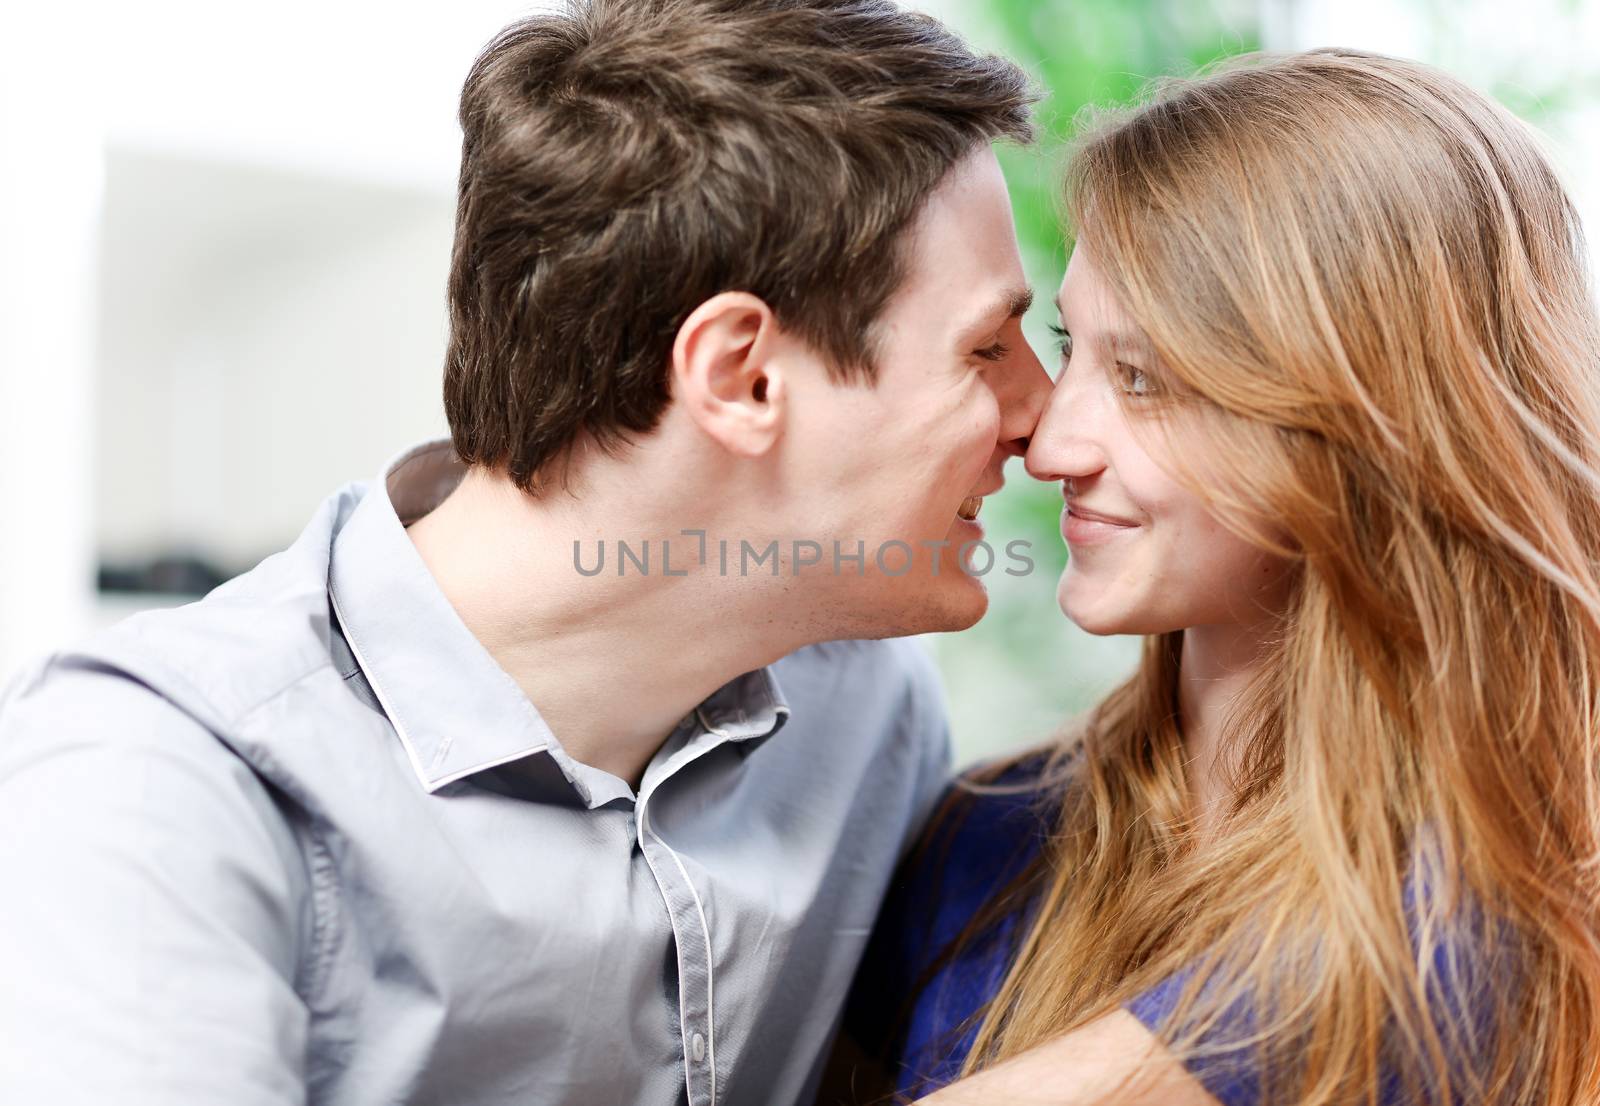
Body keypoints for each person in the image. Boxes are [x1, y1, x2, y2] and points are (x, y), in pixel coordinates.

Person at [0, 2, 1053, 1104]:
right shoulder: (153, 786)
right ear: (742, 375)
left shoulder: (864, 714)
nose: (1043, 415)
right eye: (986, 347)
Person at [830, 48, 1600, 1106]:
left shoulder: (1511, 895)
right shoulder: (988, 834)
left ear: (1364, 425)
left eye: (1142, 378)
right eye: (1072, 346)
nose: (1051, 444)